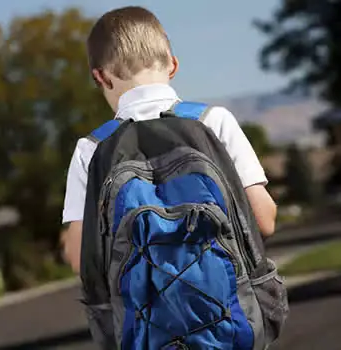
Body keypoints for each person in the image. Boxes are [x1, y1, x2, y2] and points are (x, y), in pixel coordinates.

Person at [60, 6, 277, 274]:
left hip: (139, 313)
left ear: (101, 76)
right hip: (229, 306)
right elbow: (263, 219)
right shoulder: (212, 121)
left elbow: (79, 256)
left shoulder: (92, 149)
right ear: (173, 65)